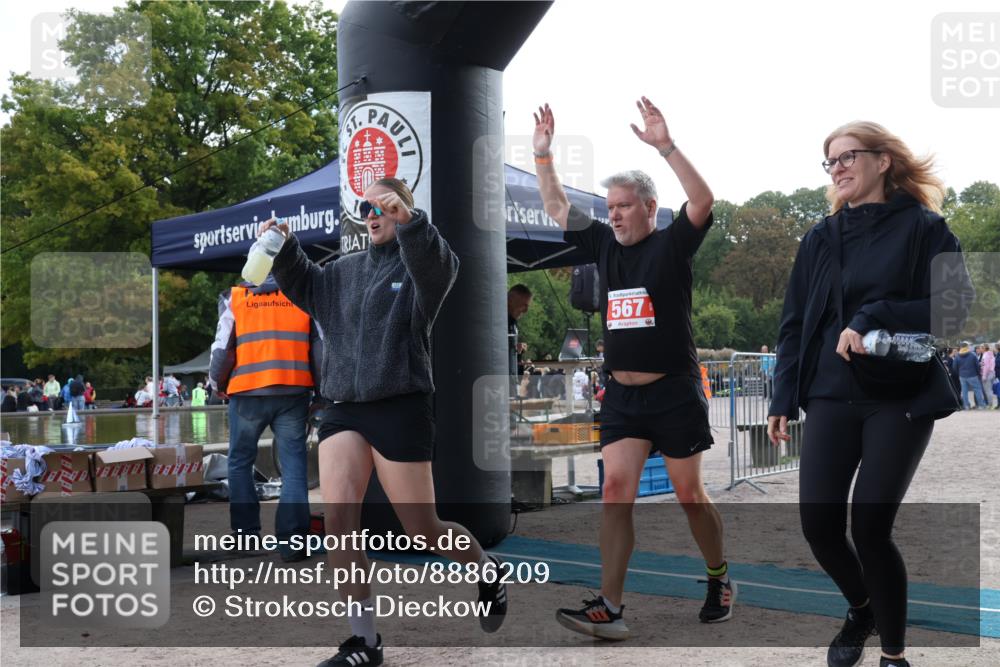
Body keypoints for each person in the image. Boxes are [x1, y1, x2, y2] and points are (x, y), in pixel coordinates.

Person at [263, 177, 508, 667]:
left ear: (401, 210)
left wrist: (411, 223)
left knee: (423, 530)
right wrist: (286, 247)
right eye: (365, 206)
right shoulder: (344, 270)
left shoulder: (422, 266)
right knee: (339, 524)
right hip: (344, 408)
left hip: (401, 404)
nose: (372, 214)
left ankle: (486, 570)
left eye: (383, 206)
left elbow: (440, 266)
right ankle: (365, 642)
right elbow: (305, 283)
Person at [767, 121, 972, 667]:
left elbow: (954, 309)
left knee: (871, 526)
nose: (836, 167)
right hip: (830, 395)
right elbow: (793, 325)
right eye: (829, 160)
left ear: (882, 161)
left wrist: (874, 314)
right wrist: (781, 397)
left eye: (847, 156)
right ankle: (861, 608)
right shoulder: (818, 238)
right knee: (818, 526)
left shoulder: (928, 228)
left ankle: (893, 655)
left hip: (899, 396)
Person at [533, 98, 730, 640]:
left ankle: (719, 577)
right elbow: (555, 209)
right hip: (621, 396)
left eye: (624, 205)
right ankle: (611, 607)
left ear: (649, 206)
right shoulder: (600, 242)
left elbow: (704, 198)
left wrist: (665, 145)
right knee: (615, 489)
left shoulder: (674, 244)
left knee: (690, 495)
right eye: (611, 206)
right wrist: (544, 157)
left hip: (674, 392)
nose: (615, 214)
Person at [209, 273, 321, 564]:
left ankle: (246, 536)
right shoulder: (302, 294)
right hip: (294, 391)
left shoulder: (235, 298)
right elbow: (320, 348)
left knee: (240, 461)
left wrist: (217, 384)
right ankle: (294, 543)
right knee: (294, 467)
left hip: (247, 392)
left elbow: (221, 350)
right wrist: (320, 393)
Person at [508, 284, 533, 379]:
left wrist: (517, 351)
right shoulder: (500, 321)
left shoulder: (513, 322)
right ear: (511, 300)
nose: (526, 310)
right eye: (524, 305)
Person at [952, 342, 986, 410]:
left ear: (961, 347)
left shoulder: (957, 356)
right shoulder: (972, 355)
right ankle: (981, 406)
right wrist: (978, 374)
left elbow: (954, 367)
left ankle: (966, 406)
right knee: (977, 390)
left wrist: (959, 373)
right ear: (967, 347)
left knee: (964, 391)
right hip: (973, 375)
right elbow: (977, 365)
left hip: (962, 376)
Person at [979, 344, 996, 409]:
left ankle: (990, 405)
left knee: (988, 390)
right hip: (992, 373)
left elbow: (986, 366)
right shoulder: (990, 354)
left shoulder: (985, 355)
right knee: (989, 390)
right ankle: (991, 404)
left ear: (984, 348)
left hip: (987, 374)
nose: (980, 349)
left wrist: (984, 376)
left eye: (981, 348)